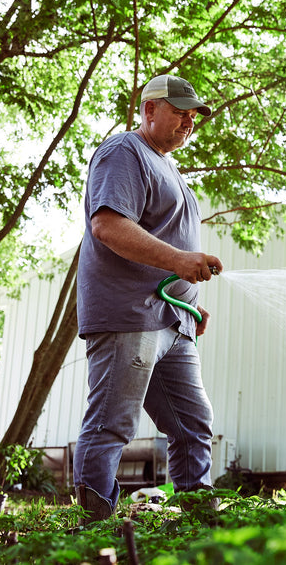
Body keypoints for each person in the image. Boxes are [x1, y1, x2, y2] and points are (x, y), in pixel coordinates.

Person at [73, 73, 223, 523]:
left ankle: (199, 522)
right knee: (112, 425)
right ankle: (93, 527)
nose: (188, 121)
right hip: (129, 316)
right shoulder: (124, 153)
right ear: (149, 110)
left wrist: (188, 301)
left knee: (192, 425)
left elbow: (162, 239)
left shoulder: (170, 166)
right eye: (179, 112)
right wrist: (179, 261)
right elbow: (108, 226)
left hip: (173, 322)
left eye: (193, 115)